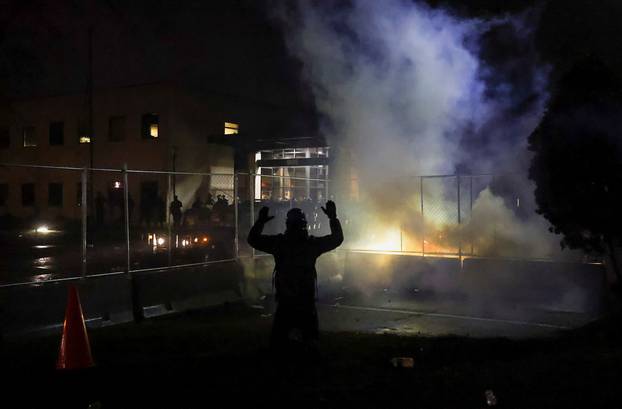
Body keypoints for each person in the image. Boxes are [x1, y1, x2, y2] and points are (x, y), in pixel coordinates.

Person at [247, 200, 343, 360]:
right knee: (310, 339)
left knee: (279, 342)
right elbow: (337, 239)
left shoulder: (280, 243)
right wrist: (333, 218)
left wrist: (260, 222)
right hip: (305, 299)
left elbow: (253, 239)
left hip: (286, 299)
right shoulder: (311, 245)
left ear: (287, 225)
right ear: (304, 225)